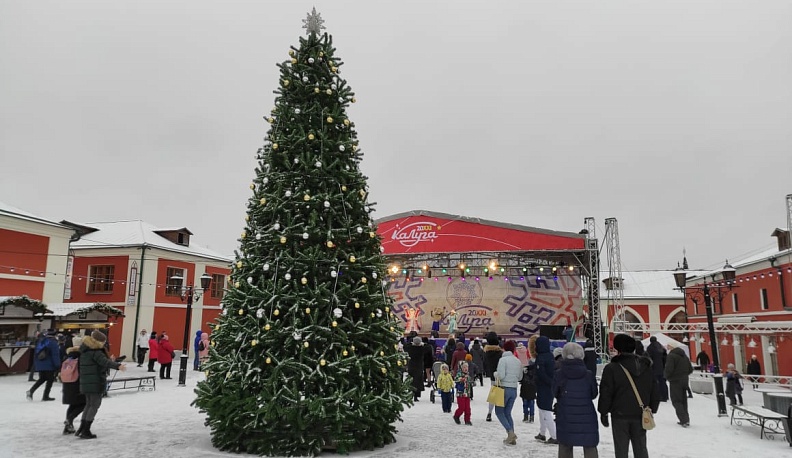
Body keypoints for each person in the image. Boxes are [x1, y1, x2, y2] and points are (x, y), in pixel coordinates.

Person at [598, 334, 659, 458]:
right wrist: (652, 407)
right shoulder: (646, 367)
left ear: (617, 348)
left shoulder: (612, 368)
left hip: (619, 414)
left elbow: (606, 392)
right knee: (641, 447)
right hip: (640, 412)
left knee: (621, 449)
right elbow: (654, 389)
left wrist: (603, 412)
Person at [554, 342, 599, 458]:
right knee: (589, 444)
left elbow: (554, 392)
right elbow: (594, 394)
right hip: (586, 415)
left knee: (565, 444)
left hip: (565, 414)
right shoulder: (588, 374)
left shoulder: (559, 374)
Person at [78, 330, 126, 439]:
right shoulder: (95, 352)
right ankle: (85, 430)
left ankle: (82, 427)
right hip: (95, 381)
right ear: (98, 341)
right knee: (94, 405)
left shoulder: (86, 350)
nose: (104, 344)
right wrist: (118, 366)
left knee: (89, 404)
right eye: (103, 342)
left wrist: (111, 361)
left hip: (87, 381)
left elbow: (101, 362)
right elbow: (104, 362)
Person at [534, 336, 558, 444]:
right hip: (549, 387)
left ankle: (554, 436)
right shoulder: (550, 355)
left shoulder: (541, 358)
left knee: (545, 411)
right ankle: (542, 433)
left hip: (544, 387)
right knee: (542, 410)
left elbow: (541, 373)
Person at [26, 330, 61, 401]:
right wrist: (57, 365)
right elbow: (55, 355)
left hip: (40, 364)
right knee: (50, 379)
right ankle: (45, 396)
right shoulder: (53, 343)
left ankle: (31, 391)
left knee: (42, 378)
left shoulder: (41, 341)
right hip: (49, 365)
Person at [61, 336, 85, 434]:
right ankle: (70, 419)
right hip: (77, 383)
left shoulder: (68, 356)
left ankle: (67, 427)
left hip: (67, 383)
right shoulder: (81, 356)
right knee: (84, 403)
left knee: (72, 405)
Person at [664, 346, 693, 427]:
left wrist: (666, 376)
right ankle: (686, 419)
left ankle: (683, 420)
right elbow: (690, 369)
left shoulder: (671, 356)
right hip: (685, 380)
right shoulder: (685, 356)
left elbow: (669, 369)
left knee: (676, 400)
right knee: (684, 400)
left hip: (675, 381)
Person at [483, 332, 503, 422]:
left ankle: (489, 412)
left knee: (493, 393)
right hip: (501, 375)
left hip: (492, 375)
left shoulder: (486, 352)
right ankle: (500, 413)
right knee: (500, 395)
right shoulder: (500, 353)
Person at [646, 336, 668, 402]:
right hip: (662, 368)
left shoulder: (650, 348)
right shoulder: (661, 347)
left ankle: (659, 396)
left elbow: (649, 358)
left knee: (655, 383)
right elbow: (665, 358)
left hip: (654, 368)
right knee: (662, 382)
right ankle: (665, 396)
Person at [452, 361, 474, 426]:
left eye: (466, 367)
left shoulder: (468, 375)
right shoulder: (459, 374)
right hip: (460, 394)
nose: (466, 368)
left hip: (467, 394)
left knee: (467, 408)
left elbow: (470, 382)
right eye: (464, 367)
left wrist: (472, 382)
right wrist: (462, 379)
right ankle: (456, 416)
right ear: (461, 368)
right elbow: (456, 380)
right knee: (461, 407)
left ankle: (467, 420)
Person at [405, 336, 425, 401]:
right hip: (419, 366)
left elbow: (405, 346)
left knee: (411, 381)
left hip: (411, 366)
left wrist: (411, 342)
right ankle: (416, 395)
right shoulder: (422, 349)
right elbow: (428, 347)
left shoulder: (410, 348)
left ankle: (410, 394)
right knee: (418, 381)